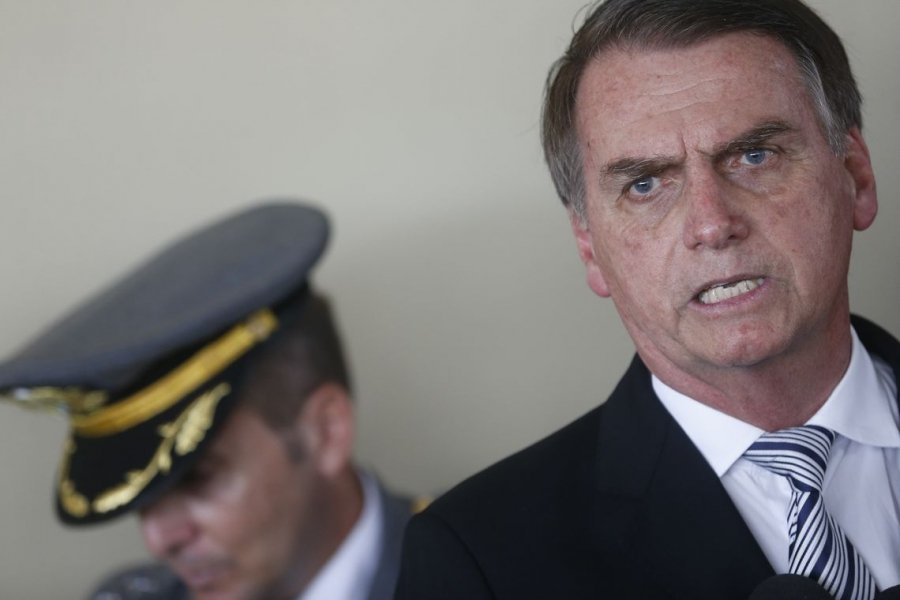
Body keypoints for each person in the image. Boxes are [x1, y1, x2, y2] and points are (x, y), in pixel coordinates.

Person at [395, 1, 899, 598]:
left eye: (754, 155)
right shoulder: (479, 560)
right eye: (645, 184)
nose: (711, 224)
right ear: (589, 246)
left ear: (855, 176)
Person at [0, 202, 416, 600]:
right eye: (143, 500)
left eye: (197, 478)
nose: (158, 540)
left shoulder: (454, 576)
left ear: (327, 431)